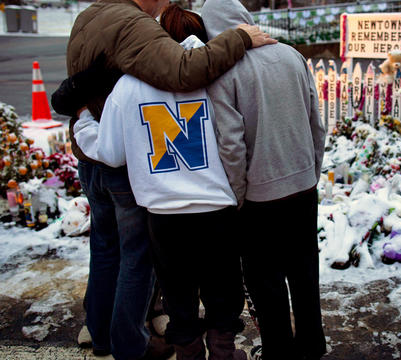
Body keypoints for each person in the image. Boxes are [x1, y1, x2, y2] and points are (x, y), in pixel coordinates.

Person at [51, 0, 275, 358]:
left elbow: (110, 151)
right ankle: (222, 350)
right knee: (222, 292)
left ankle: (181, 351)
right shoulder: (212, 79)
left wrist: (83, 121)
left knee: (177, 296)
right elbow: (234, 137)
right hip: (215, 207)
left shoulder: (127, 86)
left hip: (163, 213)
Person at [202, 0, 327, 359]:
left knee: (265, 281)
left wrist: (238, 195)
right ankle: (312, 344)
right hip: (303, 186)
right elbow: (315, 122)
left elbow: (231, 145)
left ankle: (279, 351)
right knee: (305, 270)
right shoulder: (291, 56)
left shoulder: (225, 73)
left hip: (259, 196)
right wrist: (312, 170)